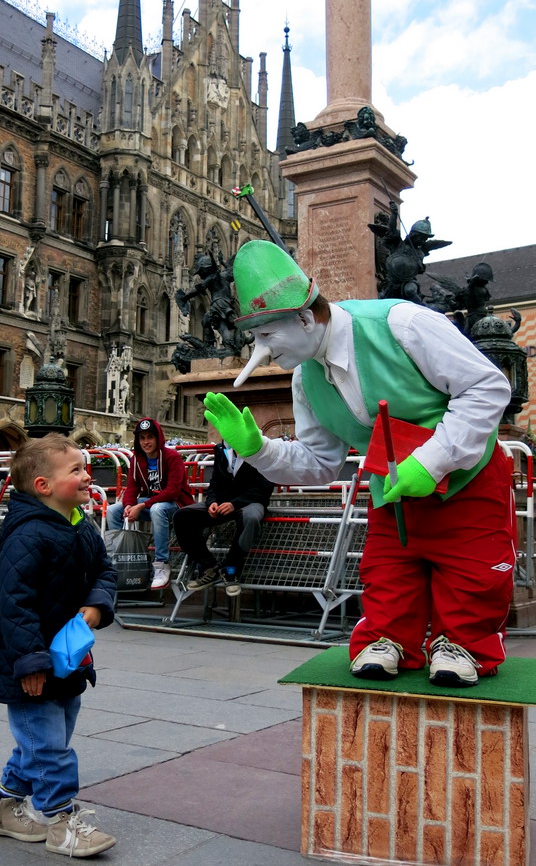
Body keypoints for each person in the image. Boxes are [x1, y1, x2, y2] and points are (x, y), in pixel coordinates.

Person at [203, 240, 516, 688]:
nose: (263, 351)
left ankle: (461, 642)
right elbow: (320, 463)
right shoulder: (305, 378)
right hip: (391, 492)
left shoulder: (403, 324)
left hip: (469, 484)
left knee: (474, 573)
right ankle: (390, 637)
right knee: (388, 572)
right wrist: (258, 450)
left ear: (306, 318)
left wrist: (432, 462)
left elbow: (487, 388)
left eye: (267, 336)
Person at [0, 434, 117, 857]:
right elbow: (14, 605)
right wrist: (31, 662)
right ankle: (60, 820)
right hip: (31, 664)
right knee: (49, 746)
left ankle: (4, 808)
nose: (86, 474)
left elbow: (105, 572)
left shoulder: (80, 524)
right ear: (43, 486)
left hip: (68, 659)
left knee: (42, 741)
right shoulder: (27, 534)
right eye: (75, 469)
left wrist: (97, 605)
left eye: (84, 466)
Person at [173, 441, 274, 597]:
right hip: (222, 502)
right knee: (182, 516)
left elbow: (265, 487)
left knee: (251, 518)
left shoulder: (260, 446)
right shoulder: (222, 448)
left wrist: (235, 504)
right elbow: (215, 482)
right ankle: (210, 567)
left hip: (249, 502)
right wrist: (211, 502)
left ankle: (231, 571)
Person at [106, 418, 194, 589]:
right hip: (150, 503)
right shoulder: (137, 460)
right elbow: (132, 488)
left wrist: (141, 506)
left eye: (150, 437)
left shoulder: (172, 457)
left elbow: (173, 491)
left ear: (158, 438)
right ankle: (121, 560)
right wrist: (130, 505)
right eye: (142, 438)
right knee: (113, 510)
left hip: (177, 504)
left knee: (157, 509)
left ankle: (161, 564)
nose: (146, 442)